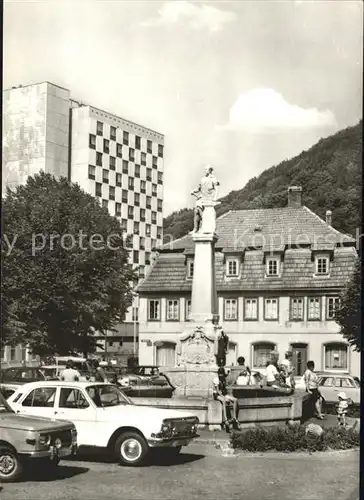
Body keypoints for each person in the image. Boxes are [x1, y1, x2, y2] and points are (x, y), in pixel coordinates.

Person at [212, 367, 240, 431]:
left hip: (224, 394)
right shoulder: (216, 379)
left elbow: (228, 375)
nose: (221, 376)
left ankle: (234, 417)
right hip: (217, 394)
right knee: (224, 401)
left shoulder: (224, 378)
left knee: (235, 400)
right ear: (218, 374)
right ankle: (226, 419)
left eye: (222, 375)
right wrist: (223, 397)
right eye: (220, 375)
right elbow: (218, 391)